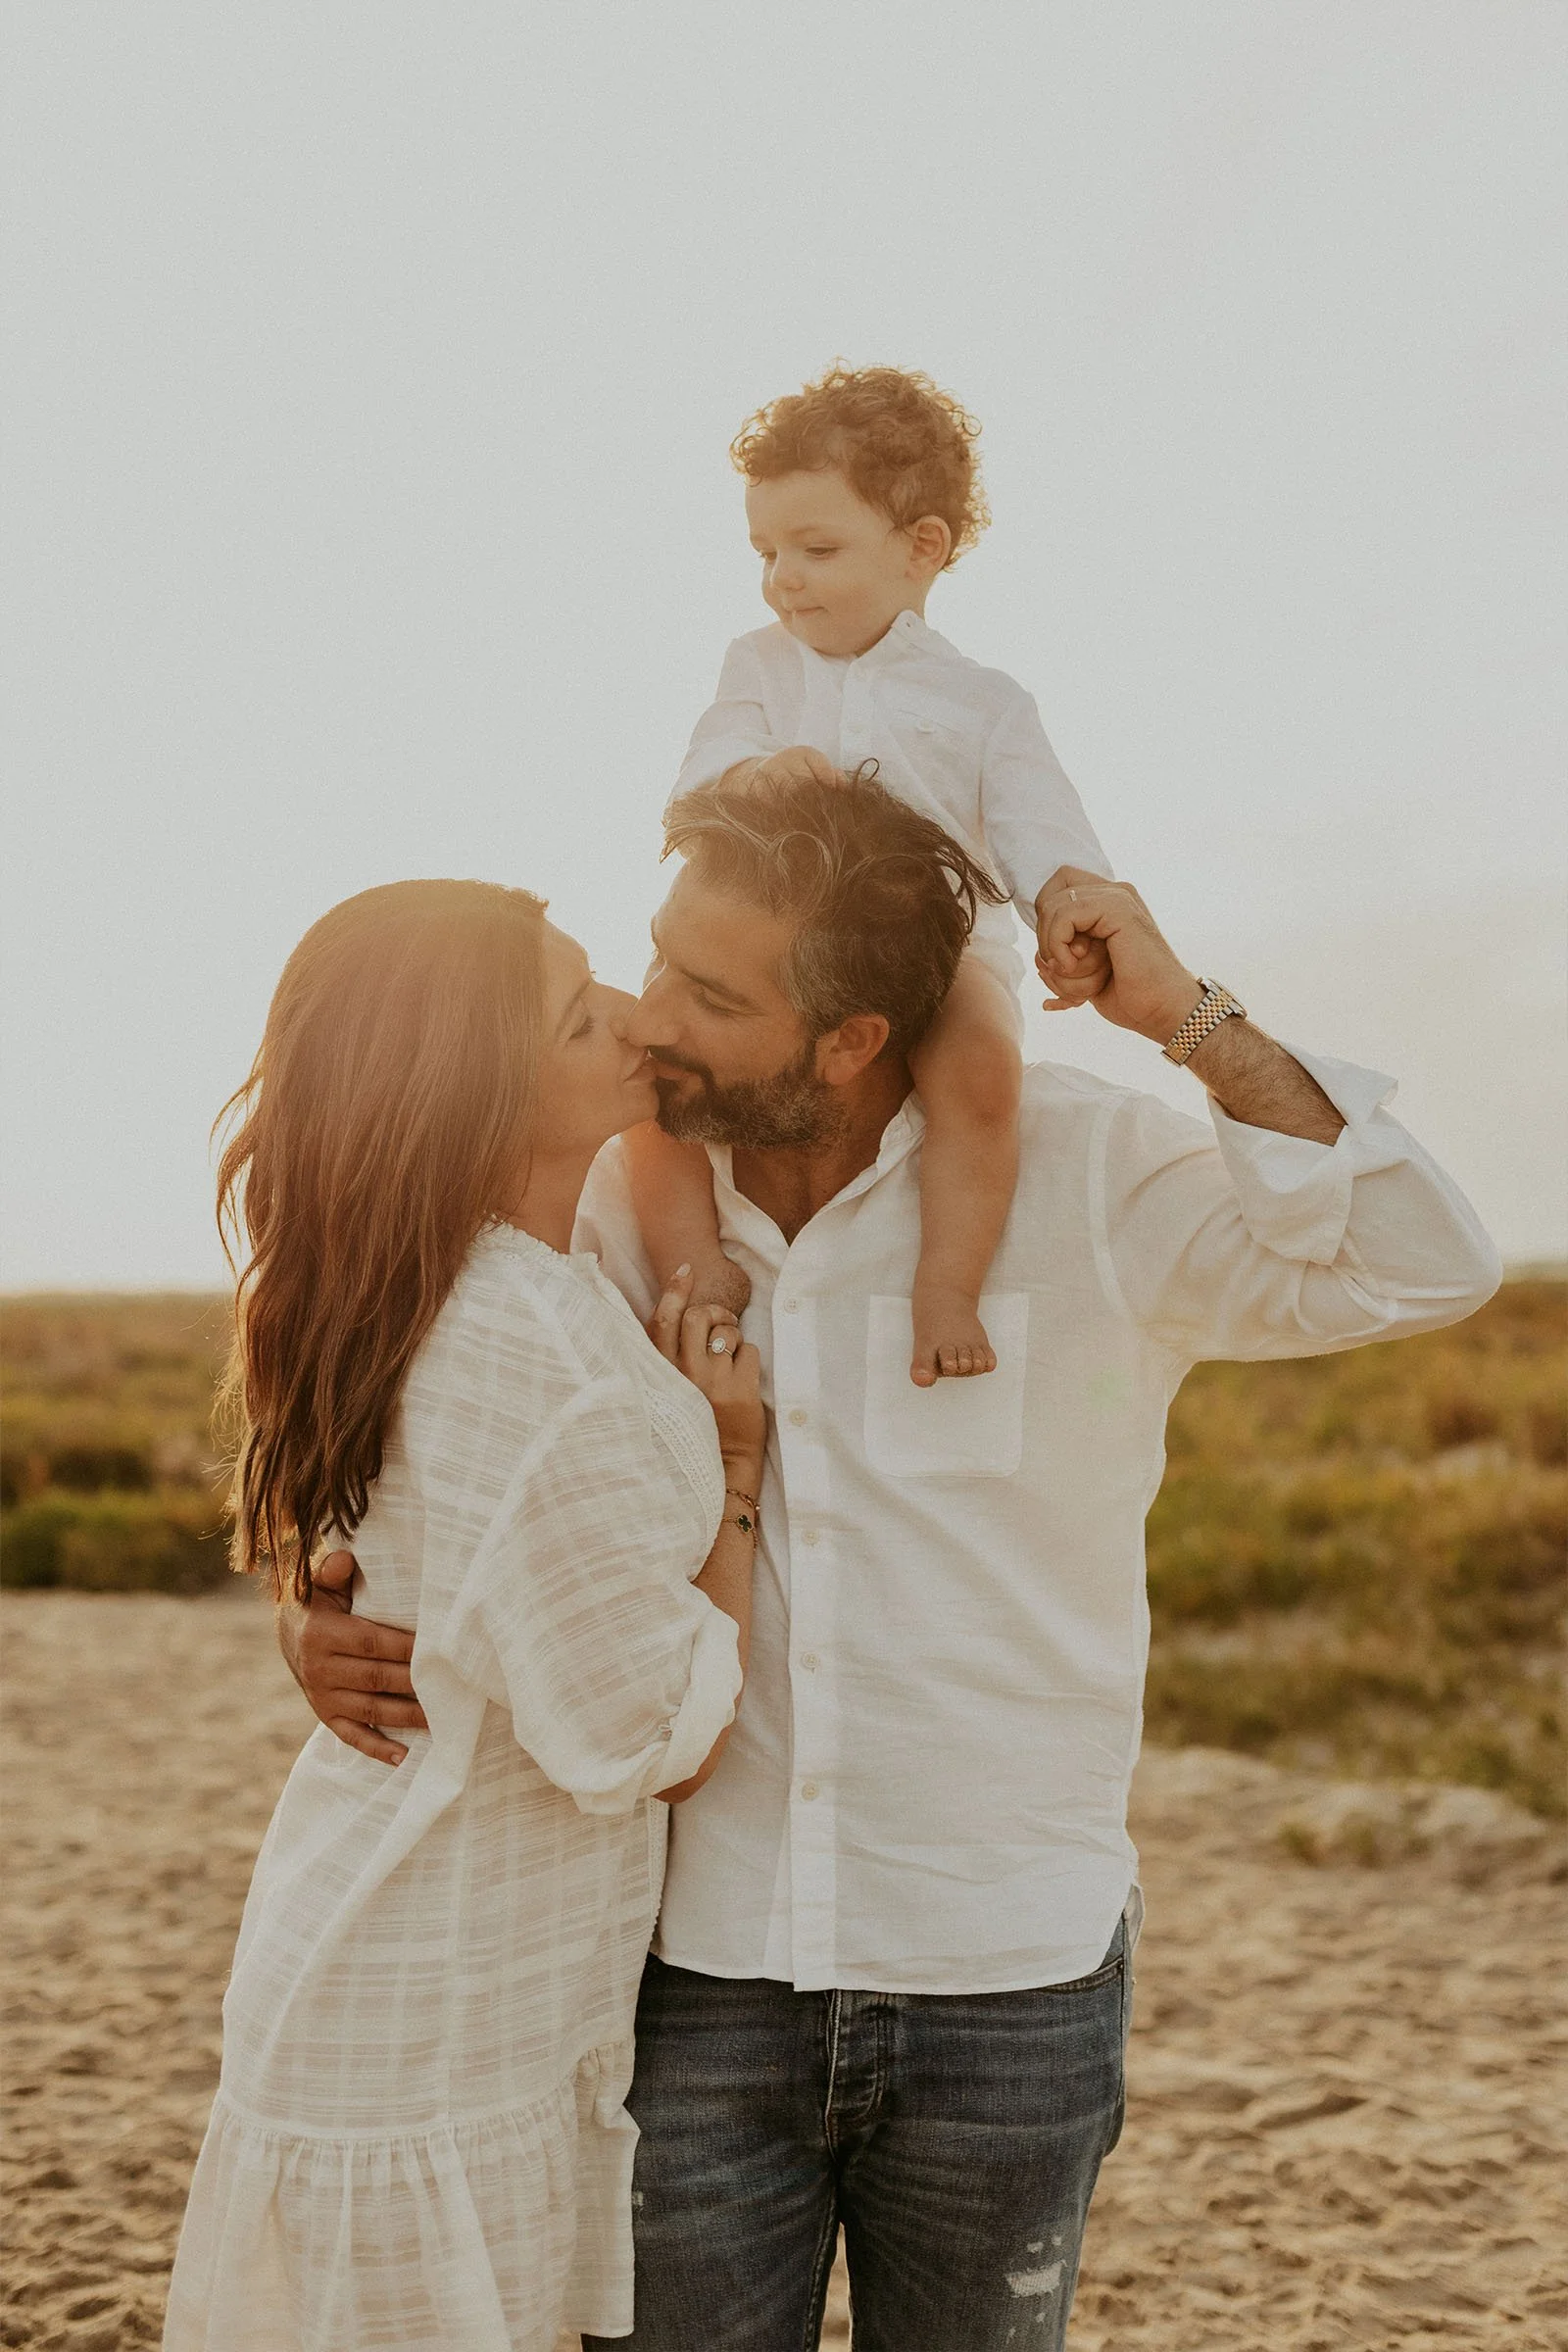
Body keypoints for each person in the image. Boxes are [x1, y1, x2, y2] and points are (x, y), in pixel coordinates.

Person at [285, 777, 1501, 2352]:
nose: (650, 1018)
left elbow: (1426, 1259)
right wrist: (319, 1600)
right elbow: (440, 1438)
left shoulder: (1083, 1176)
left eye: (709, 996)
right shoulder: (603, 1192)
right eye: (659, 962)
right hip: (684, 1980)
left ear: (850, 1037)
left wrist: (1192, 1020)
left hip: (1011, 1981)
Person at [163, 880, 764, 2352]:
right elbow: (650, 1742)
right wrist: (736, 1469)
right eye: (577, 1018)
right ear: (478, 1096)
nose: (628, 1015)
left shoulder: (458, 1289)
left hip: (420, 1985)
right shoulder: (530, 1344)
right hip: (424, 2017)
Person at [625, 363, 1114, 1386]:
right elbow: (697, 777)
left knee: (980, 1074)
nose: (782, 578)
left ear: (921, 548)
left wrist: (1066, 900)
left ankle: (944, 1283)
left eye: (816, 548)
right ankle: (693, 1261)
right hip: (755, 945)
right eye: (764, 551)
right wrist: (755, 775)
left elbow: (1039, 823)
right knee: (648, 1063)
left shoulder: (984, 702)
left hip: (944, 946)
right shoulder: (758, 665)